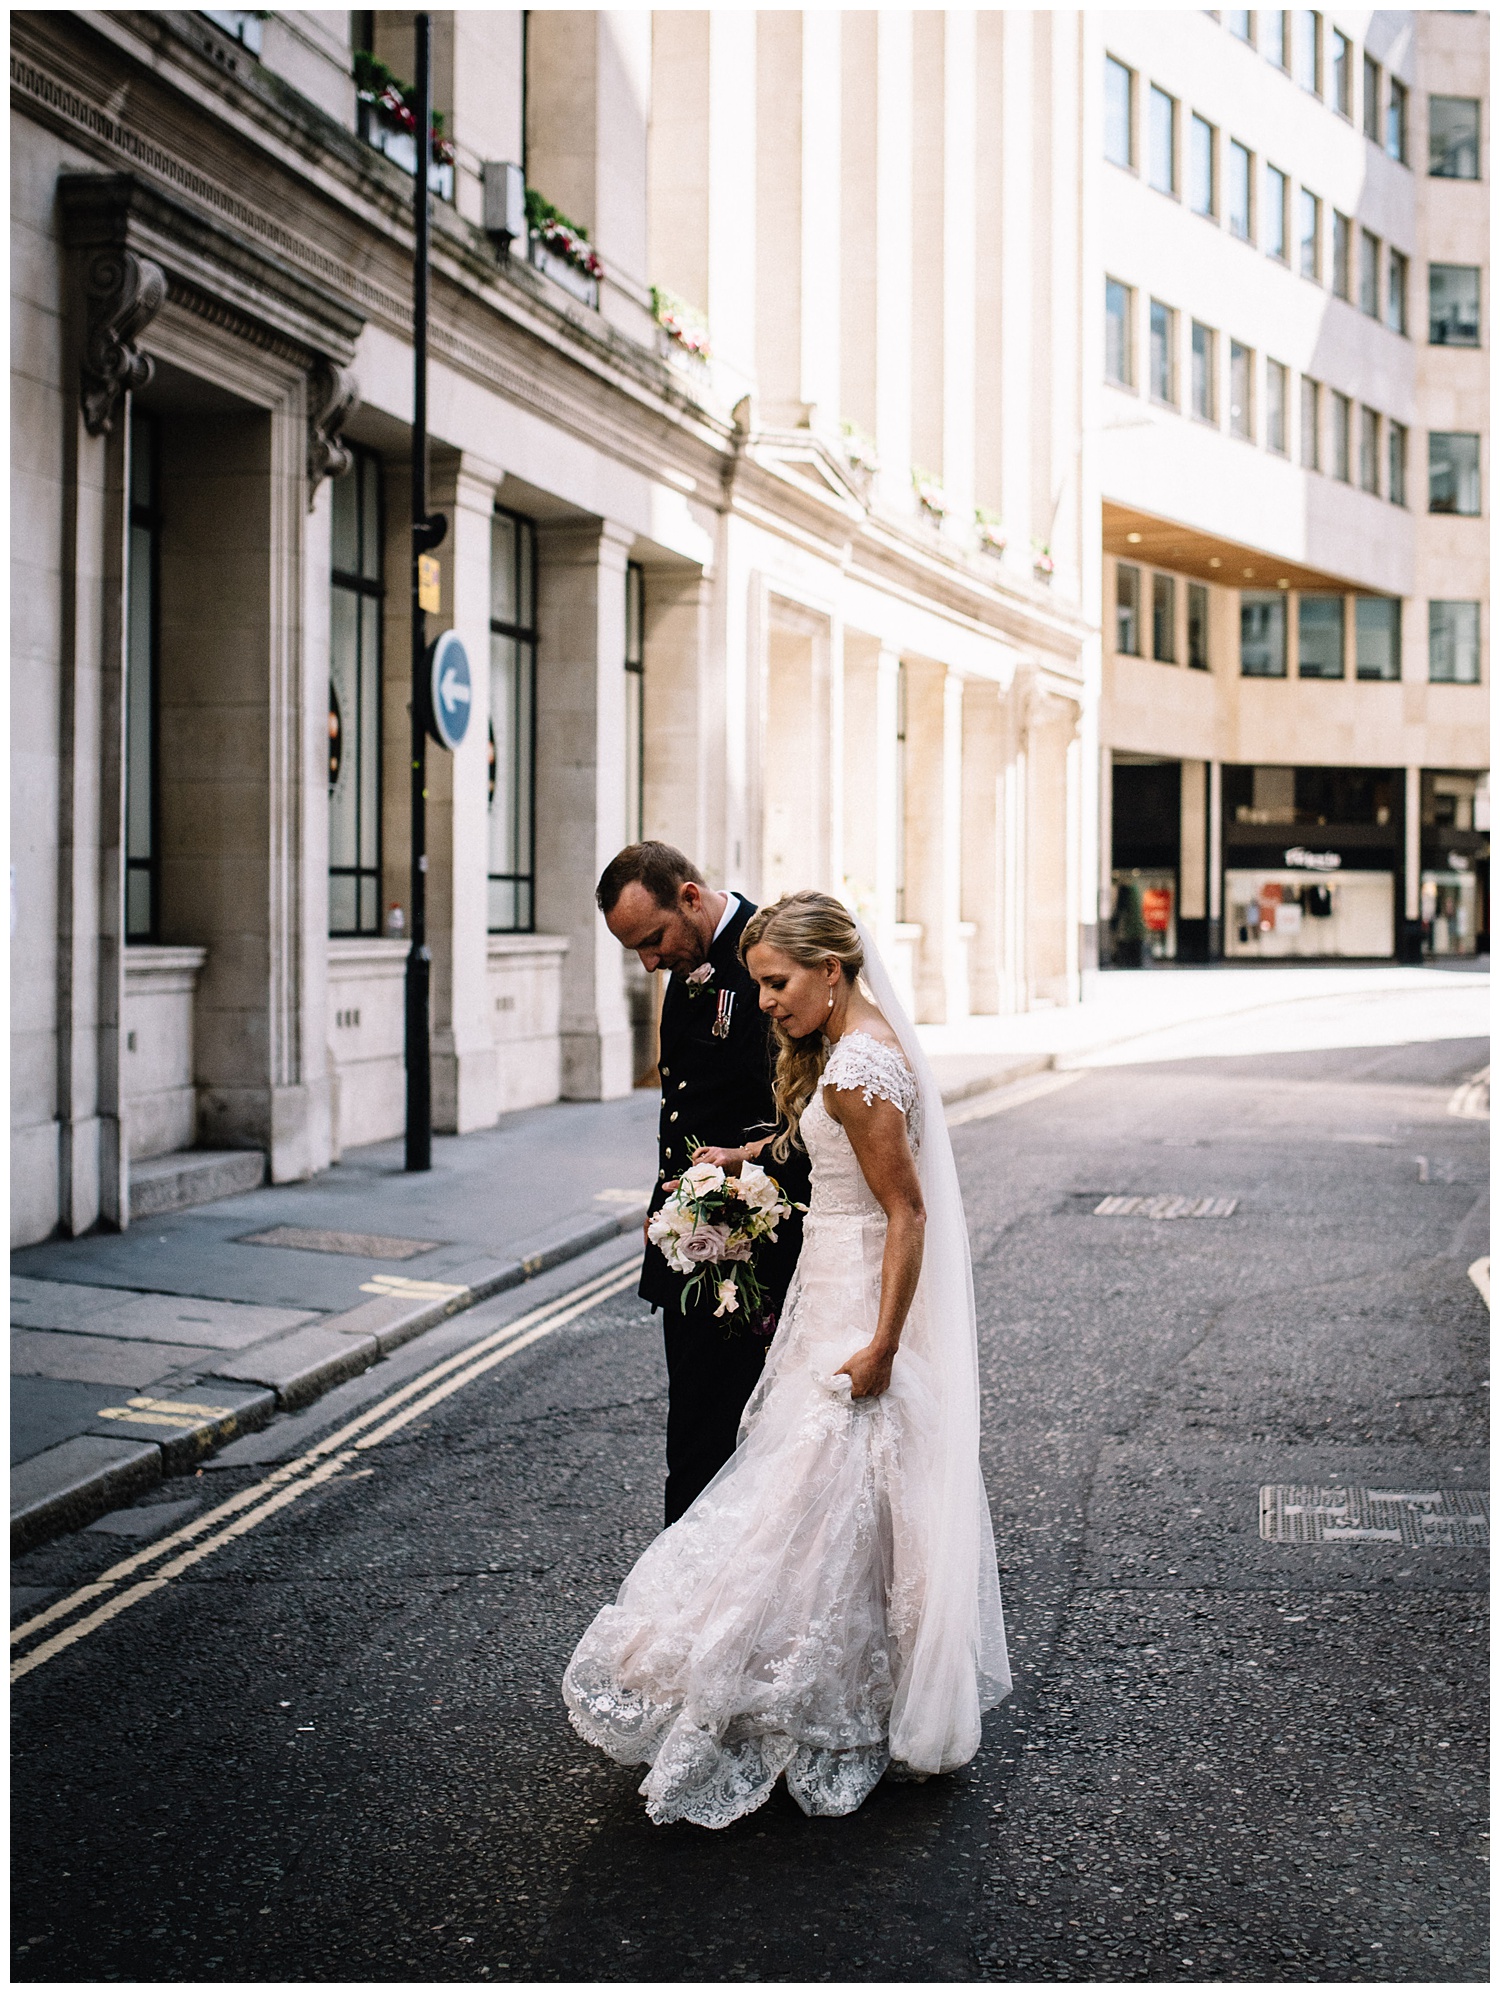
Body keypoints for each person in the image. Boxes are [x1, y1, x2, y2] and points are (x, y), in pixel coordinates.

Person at [565, 891, 1010, 1828]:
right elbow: (829, 1152)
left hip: (855, 1298)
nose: (764, 1000)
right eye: (759, 983)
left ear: (831, 971)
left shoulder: (855, 1069)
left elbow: (907, 1211)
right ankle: (854, 1682)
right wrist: (744, 1153)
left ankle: (778, 1679)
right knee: (838, 1495)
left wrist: (884, 1343)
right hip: (835, 1285)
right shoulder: (860, 1047)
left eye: (776, 983)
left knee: (811, 1485)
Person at [597, 844, 810, 1525]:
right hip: (694, 1249)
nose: (649, 962)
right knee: (695, 1439)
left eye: (653, 940)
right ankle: (687, 1600)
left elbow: (799, 1116)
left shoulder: (769, 963)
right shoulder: (685, 968)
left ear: (690, 896)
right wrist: (667, 1209)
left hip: (755, 1258)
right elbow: (682, 1109)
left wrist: (744, 1186)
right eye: (635, 949)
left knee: (730, 1445)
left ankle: (691, 1605)